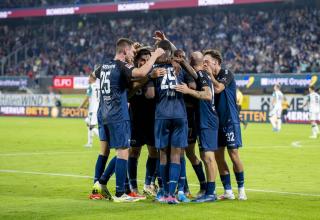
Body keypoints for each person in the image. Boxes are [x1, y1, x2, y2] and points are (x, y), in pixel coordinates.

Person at [90, 38, 165, 202]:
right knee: (124, 152)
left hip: (104, 113)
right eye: (131, 51)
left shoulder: (104, 66)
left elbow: (92, 76)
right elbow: (140, 73)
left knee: (110, 152)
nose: (134, 54)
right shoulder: (122, 66)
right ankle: (120, 193)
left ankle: (100, 185)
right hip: (118, 114)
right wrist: (155, 55)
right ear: (124, 51)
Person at [146, 40, 190, 204]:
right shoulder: (181, 68)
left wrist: (151, 80)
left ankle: (163, 192)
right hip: (179, 115)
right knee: (176, 156)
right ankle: (173, 194)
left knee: (163, 155)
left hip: (162, 115)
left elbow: (150, 95)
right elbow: (192, 84)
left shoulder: (155, 70)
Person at [175, 51, 219, 202]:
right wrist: (182, 61)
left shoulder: (203, 76)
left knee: (208, 157)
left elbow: (207, 95)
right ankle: (208, 190)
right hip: (203, 121)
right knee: (204, 156)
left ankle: (211, 193)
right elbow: (192, 70)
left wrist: (188, 90)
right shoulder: (199, 74)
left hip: (208, 121)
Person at [204, 49, 247, 200]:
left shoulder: (226, 73)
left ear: (216, 62)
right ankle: (228, 191)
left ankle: (241, 189)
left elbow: (219, 88)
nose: (205, 64)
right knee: (218, 157)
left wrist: (209, 75)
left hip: (230, 120)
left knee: (233, 154)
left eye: (207, 62)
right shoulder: (207, 77)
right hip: (216, 122)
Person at [80, 74, 100, 147]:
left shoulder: (90, 87)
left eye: (89, 78)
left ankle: (103, 137)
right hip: (98, 108)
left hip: (93, 110)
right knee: (88, 122)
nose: (88, 80)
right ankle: (89, 143)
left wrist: (81, 106)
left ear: (92, 78)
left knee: (91, 126)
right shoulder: (99, 86)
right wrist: (87, 105)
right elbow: (93, 98)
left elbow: (87, 97)